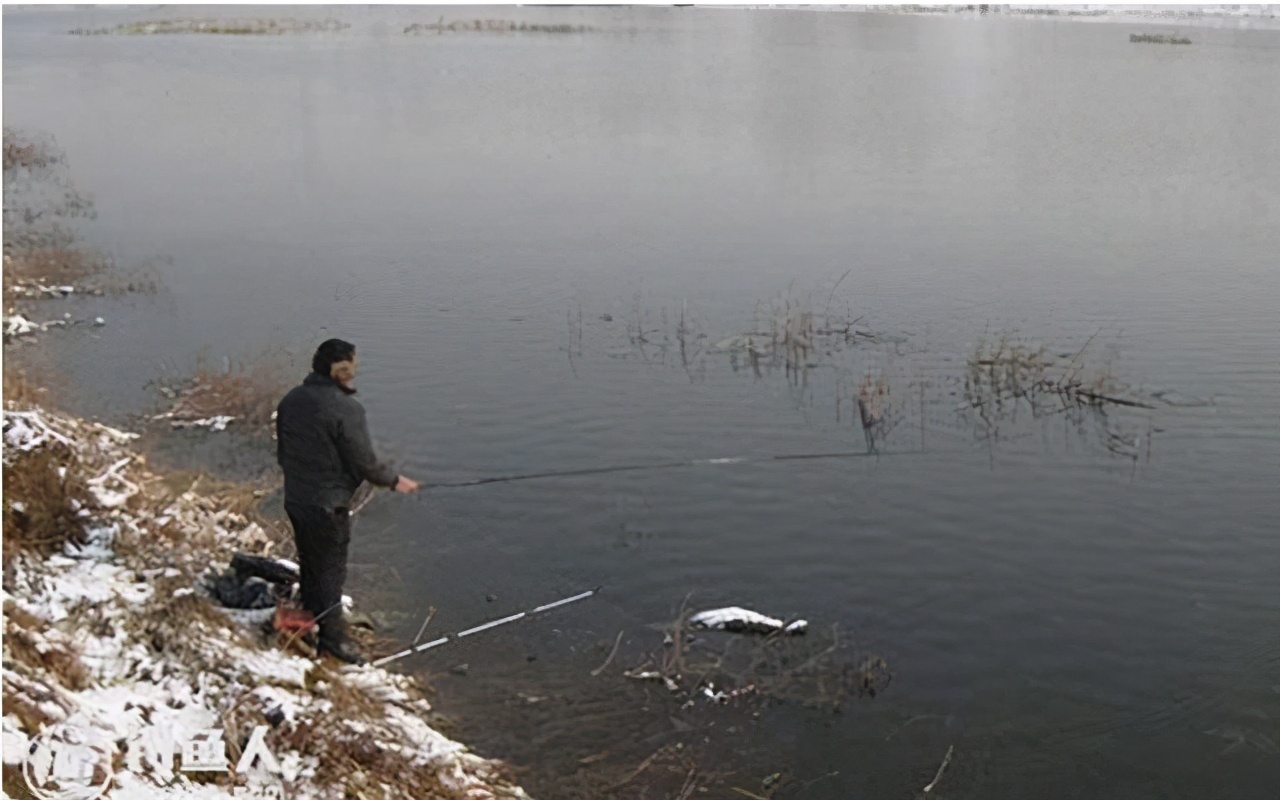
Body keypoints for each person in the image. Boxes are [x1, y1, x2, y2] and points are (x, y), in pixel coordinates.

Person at [275, 338, 420, 664]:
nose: (356, 370)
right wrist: (395, 481)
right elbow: (364, 462)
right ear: (340, 368)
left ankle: (314, 618)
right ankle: (333, 642)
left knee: (311, 563)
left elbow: (284, 454)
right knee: (329, 572)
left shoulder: (292, 399)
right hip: (328, 505)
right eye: (353, 364)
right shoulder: (346, 409)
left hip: (297, 498)